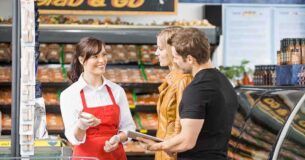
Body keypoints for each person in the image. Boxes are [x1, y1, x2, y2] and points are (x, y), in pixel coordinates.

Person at [137, 28, 238, 160]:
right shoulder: (224, 81)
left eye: (175, 57)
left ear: (190, 59)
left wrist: (156, 146)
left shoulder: (197, 89)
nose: (175, 62)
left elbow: (186, 141)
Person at [60, 37, 136, 160]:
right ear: (81, 60)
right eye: (95, 56)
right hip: (85, 157)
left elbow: (129, 128)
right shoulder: (69, 94)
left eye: (104, 55)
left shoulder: (117, 91)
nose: (102, 60)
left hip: (115, 156)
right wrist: (81, 126)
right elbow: (74, 139)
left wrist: (118, 138)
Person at [154, 27, 192, 160]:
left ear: (172, 50)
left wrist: (172, 151)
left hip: (171, 152)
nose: (156, 53)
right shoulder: (172, 80)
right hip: (163, 147)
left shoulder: (183, 81)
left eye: (161, 48)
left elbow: (180, 123)